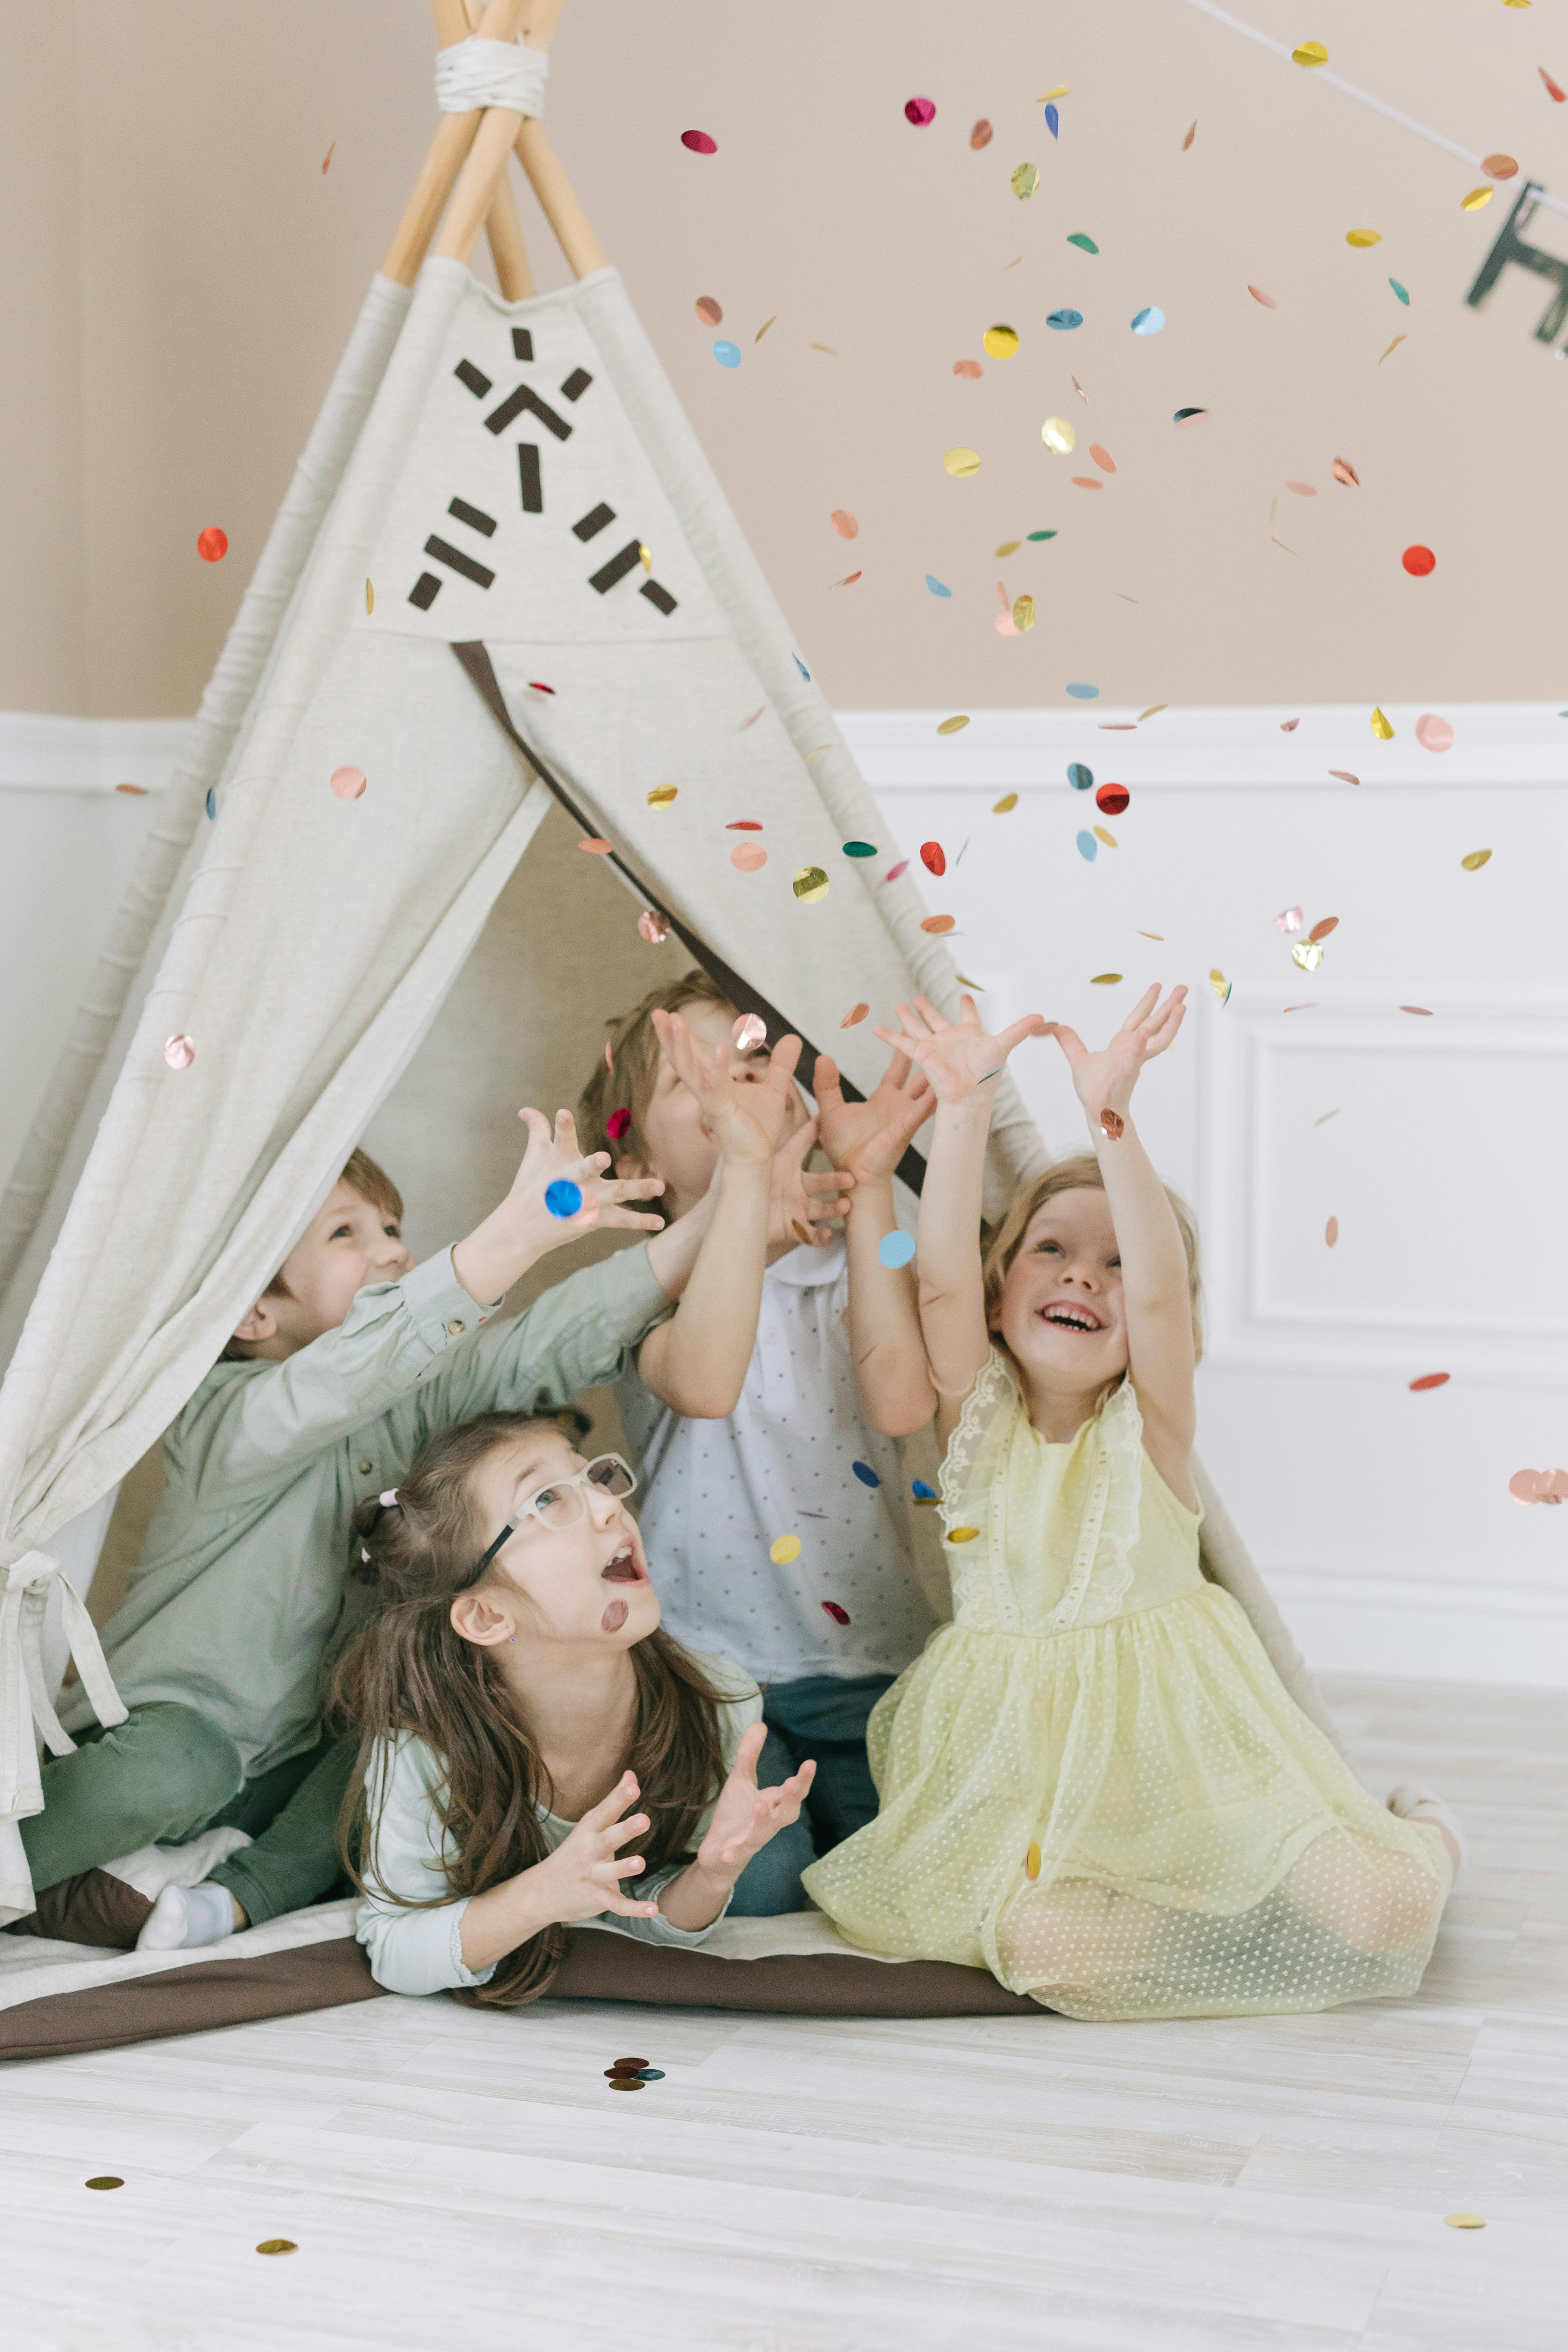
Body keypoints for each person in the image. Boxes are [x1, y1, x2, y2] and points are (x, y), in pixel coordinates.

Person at [803, 987, 1461, 2020]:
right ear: (998, 1290)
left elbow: (1157, 1293)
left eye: (1113, 1263)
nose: (1086, 1277)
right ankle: (1172, 1913)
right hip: (1025, 1774)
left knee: (1382, 1909)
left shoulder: (1150, 1422)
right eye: (1052, 1251)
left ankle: (1418, 1832)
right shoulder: (971, 1419)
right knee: (1039, 1942)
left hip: (1185, 1761)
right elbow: (934, 1286)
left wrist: (1111, 1118)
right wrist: (962, 1110)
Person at [13, 1114, 692, 1953]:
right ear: (256, 1311)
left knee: (405, 1725)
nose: (393, 1251)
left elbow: (536, 1350)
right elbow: (347, 1375)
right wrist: (511, 1237)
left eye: (395, 1229)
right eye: (347, 1233)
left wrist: (721, 1220)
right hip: (167, 1742)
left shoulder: (413, 1409)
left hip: (297, 1767)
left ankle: (234, 1901)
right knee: (186, 1761)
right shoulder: (218, 1421)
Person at [578, 974, 944, 1903]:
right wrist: (748, 1179)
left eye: (747, 1058)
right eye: (689, 1081)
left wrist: (866, 1189)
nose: (729, 1087)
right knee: (759, 1887)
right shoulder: (648, 1286)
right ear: (636, 1172)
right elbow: (703, 1381)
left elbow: (902, 1401)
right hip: (710, 1670)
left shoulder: (878, 1247)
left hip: (872, 1662)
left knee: (905, 1884)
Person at [340, 1413, 816, 1998]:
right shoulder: (422, 1752)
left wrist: (711, 1875)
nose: (608, 1506)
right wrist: (543, 1894)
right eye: (546, 1499)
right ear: (487, 1616)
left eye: (591, 1478)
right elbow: (394, 1951)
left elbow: (646, 1907)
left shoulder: (718, 1699)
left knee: (769, 1882)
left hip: (719, 1756)